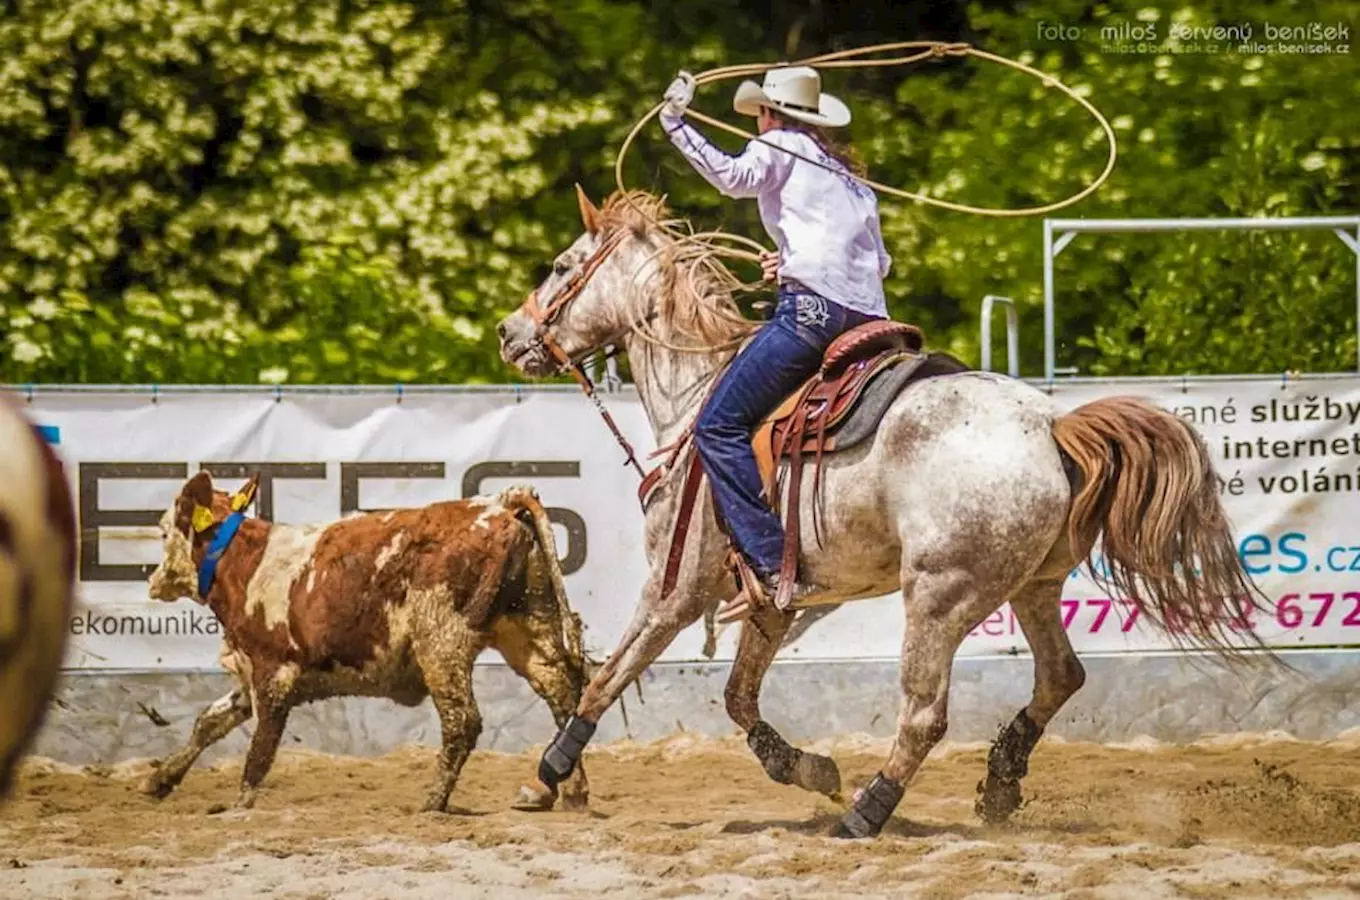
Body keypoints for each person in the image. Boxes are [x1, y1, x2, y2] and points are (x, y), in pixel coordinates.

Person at [658, 65, 893, 607]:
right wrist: (789, 259)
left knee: (717, 427)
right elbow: (879, 263)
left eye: (759, 116)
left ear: (768, 113)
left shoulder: (780, 144)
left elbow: (730, 177)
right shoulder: (851, 179)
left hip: (812, 316)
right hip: (873, 324)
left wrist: (676, 122)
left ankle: (770, 563)